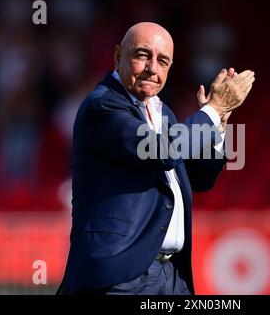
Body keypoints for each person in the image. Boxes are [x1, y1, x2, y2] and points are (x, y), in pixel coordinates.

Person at [57, 22, 254, 295]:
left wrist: (218, 123)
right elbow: (162, 152)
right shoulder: (103, 106)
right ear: (117, 56)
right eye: (141, 55)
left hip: (171, 277)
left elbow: (201, 178)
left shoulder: (164, 113)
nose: (152, 68)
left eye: (162, 61)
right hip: (120, 276)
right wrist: (211, 111)